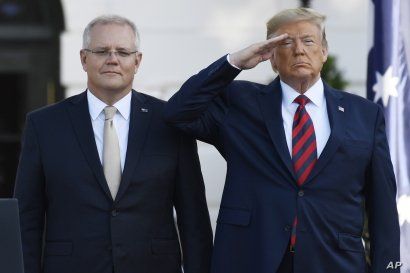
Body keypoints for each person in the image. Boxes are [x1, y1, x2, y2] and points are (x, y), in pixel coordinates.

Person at [164, 7, 400, 273]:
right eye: (286, 42)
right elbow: (177, 113)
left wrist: (389, 268)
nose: (299, 50)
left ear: (324, 51)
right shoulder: (239, 102)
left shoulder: (365, 115)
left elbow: (382, 208)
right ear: (272, 58)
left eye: (308, 41)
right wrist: (234, 63)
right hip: (251, 258)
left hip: (333, 262)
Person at [14, 15, 212, 273]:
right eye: (101, 51)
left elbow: (193, 216)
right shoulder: (44, 125)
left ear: (137, 61)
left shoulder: (170, 121)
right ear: (84, 58)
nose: (113, 59)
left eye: (123, 51)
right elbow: (26, 217)